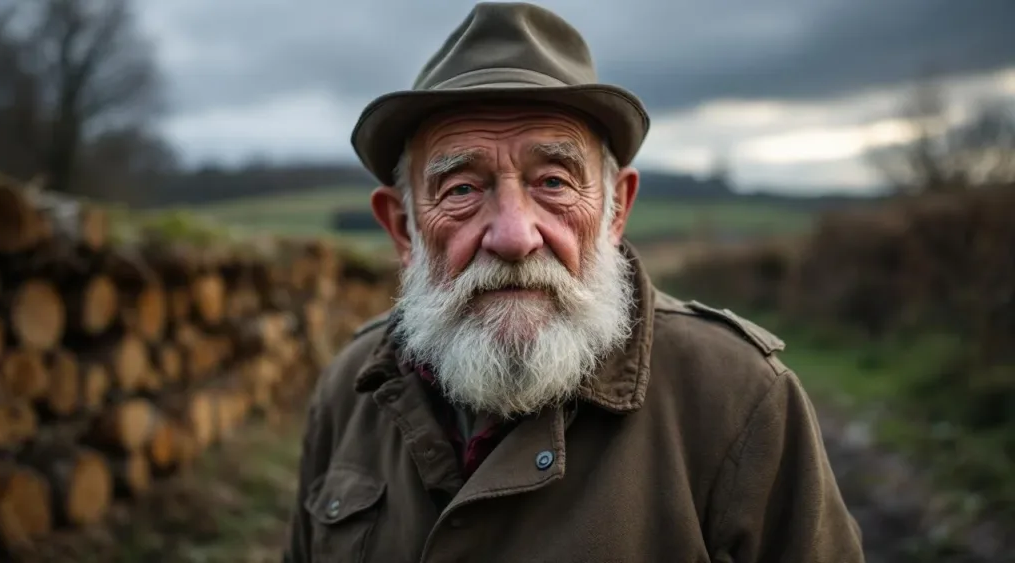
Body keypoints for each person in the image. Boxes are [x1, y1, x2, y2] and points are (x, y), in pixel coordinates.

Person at [283, 2, 865, 562]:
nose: (514, 237)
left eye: (555, 182)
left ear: (616, 211)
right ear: (403, 228)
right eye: (461, 188)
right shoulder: (348, 391)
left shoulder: (743, 400)